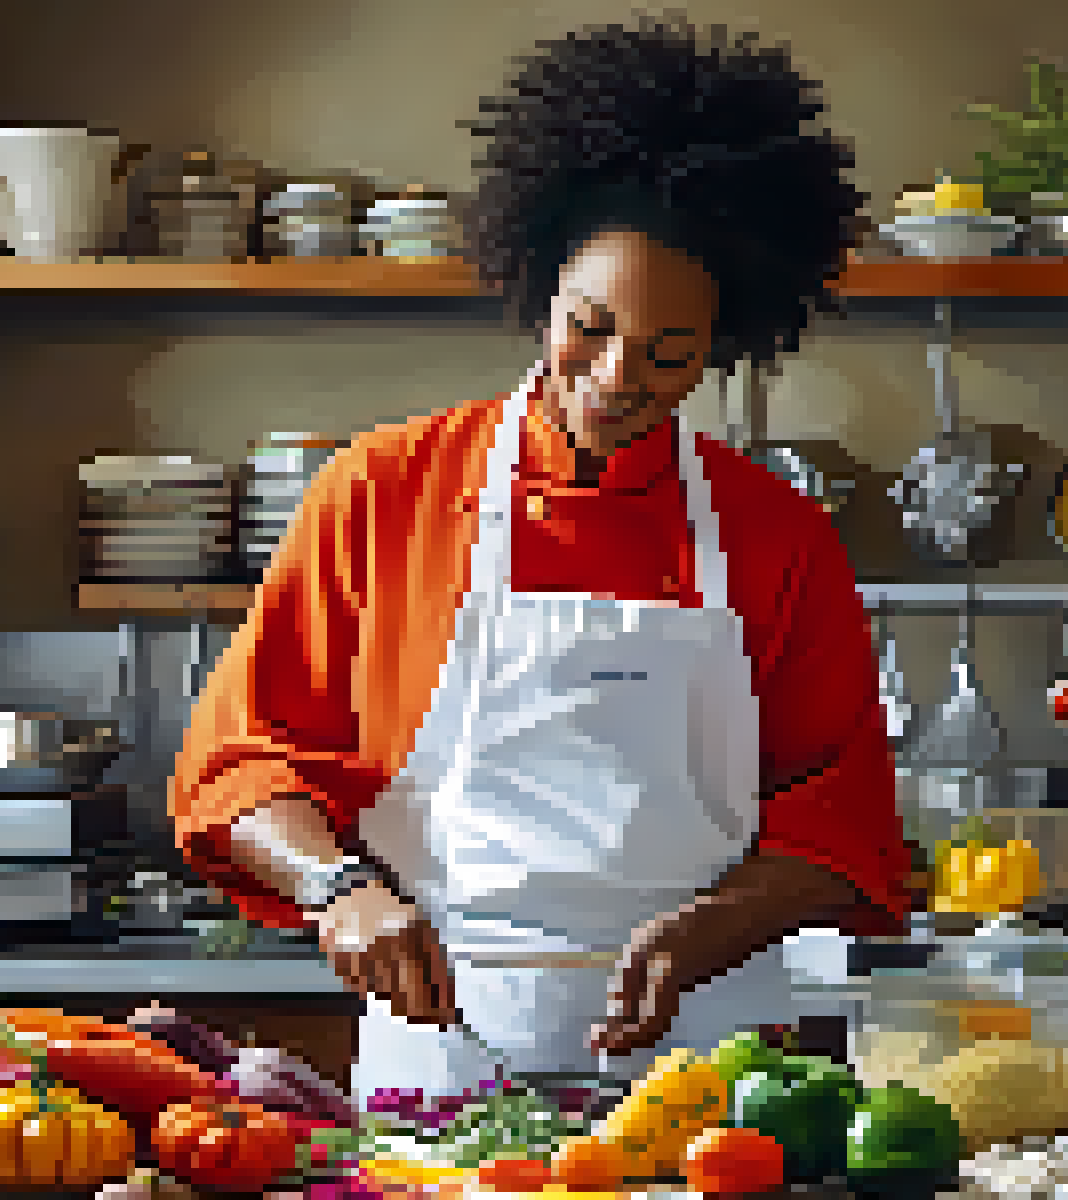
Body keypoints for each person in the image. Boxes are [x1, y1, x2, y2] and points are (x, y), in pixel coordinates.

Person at [170, 16, 911, 1102]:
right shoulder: (380, 494)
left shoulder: (776, 534)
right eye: (588, 326)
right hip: (440, 1060)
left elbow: (842, 816)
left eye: (669, 353)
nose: (615, 378)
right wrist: (338, 891)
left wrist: (720, 923)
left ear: (723, 344)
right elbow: (241, 764)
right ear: (538, 282)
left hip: (714, 1081)